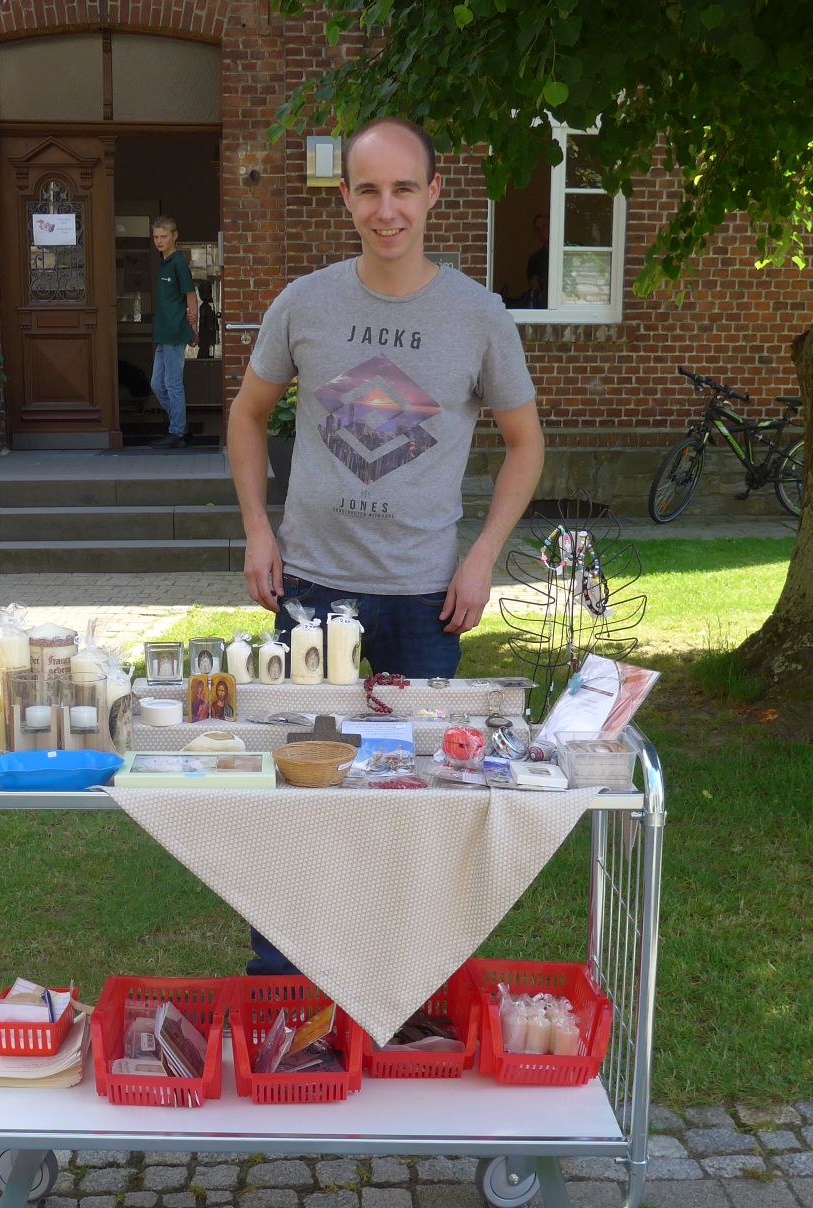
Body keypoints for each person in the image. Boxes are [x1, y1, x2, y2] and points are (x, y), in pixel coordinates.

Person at [226, 115, 546, 973]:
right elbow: (248, 416)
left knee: (420, 797)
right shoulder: (305, 303)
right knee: (299, 787)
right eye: (368, 190)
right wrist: (258, 529)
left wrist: (481, 559)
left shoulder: (478, 316)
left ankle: (402, 973)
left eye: (404, 188)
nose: (387, 209)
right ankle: (285, 977)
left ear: (434, 192)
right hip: (309, 590)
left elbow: (526, 444)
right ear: (345, 197)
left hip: (423, 598)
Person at [150, 216, 200, 449]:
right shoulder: (163, 262)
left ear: (174, 236)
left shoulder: (178, 263)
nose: (159, 241)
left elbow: (191, 296)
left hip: (175, 331)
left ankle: (177, 431)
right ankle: (180, 425)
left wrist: (194, 328)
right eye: (156, 237)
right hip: (162, 333)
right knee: (156, 384)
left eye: (163, 236)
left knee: (173, 384)